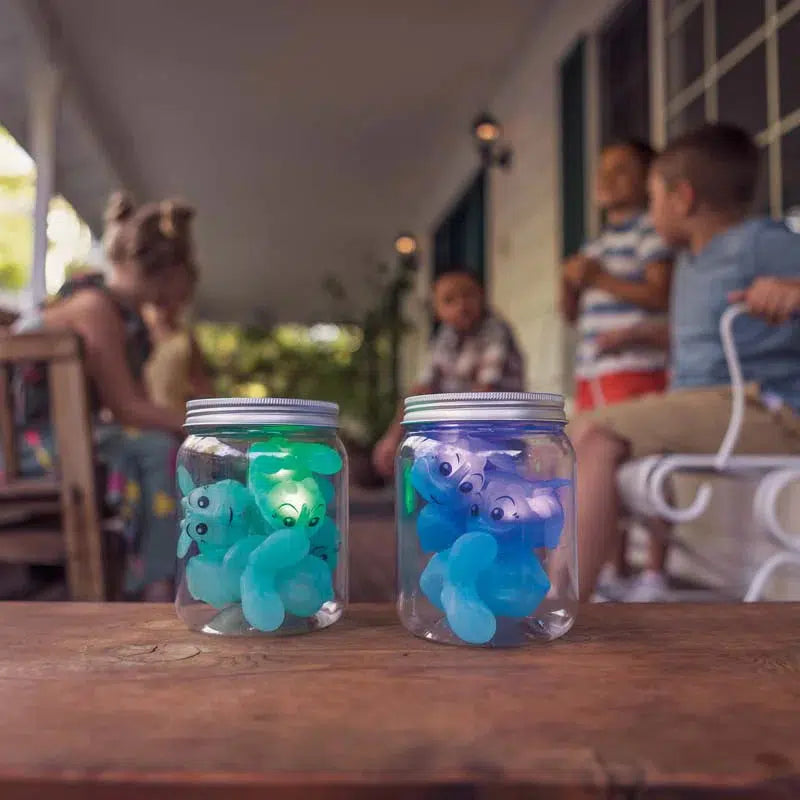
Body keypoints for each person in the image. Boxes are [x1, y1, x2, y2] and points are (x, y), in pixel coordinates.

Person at [570, 123, 800, 602]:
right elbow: (707, 339)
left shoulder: (760, 241)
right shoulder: (692, 262)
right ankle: (585, 586)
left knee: (590, 433)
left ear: (682, 199)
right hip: (707, 406)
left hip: (767, 409)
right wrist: (637, 334)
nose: (650, 211)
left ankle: (562, 598)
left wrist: (794, 291)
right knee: (579, 430)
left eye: (653, 198)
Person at [11, 192, 196, 600]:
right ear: (169, 270)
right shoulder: (95, 308)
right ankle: (156, 585)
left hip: (60, 438)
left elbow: (141, 407)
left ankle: (156, 572)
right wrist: (202, 421)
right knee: (157, 449)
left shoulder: (125, 319)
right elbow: (126, 407)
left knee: (162, 444)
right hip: (23, 446)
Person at [561, 139, 674, 598]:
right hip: (593, 373)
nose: (607, 179)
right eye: (603, 170)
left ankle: (656, 571)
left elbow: (660, 295)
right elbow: (570, 313)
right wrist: (569, 282)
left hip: (636, 367)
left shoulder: (649, 232)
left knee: (645, 462)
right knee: (598, 469)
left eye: (622, 170)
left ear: (648, 182)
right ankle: (617, 566)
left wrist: (598, 278)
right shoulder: (596, 242)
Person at [372, 270, 524, 477]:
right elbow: (422, 388)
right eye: (449, 300)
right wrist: (391, 438)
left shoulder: (494, 330)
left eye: (468, 295)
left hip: (499, 435)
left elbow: (485, 393)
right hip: (462, 434)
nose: (461, 305)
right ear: (437, 309)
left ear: (482, 296)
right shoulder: (446, 335)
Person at [142, 267, 213, 415]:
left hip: (173, 422)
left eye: (181, 296)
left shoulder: (185, 339)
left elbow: (201, 385)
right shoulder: (134, 328)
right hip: (137, 423)